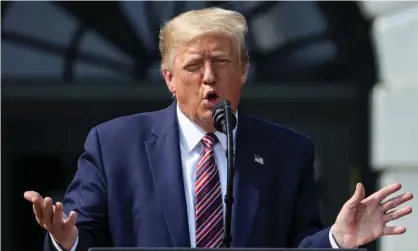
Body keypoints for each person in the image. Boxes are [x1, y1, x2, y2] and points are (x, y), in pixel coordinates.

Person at [24, 7, 413, 251]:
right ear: (170, 78)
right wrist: (67, 240)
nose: (209, 78)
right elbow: (83, 234)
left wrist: (336, 240)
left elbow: (298, 244)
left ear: (243, 70)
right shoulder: (114, 145)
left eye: (222, 62)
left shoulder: (288, 151)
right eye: (194, 66)